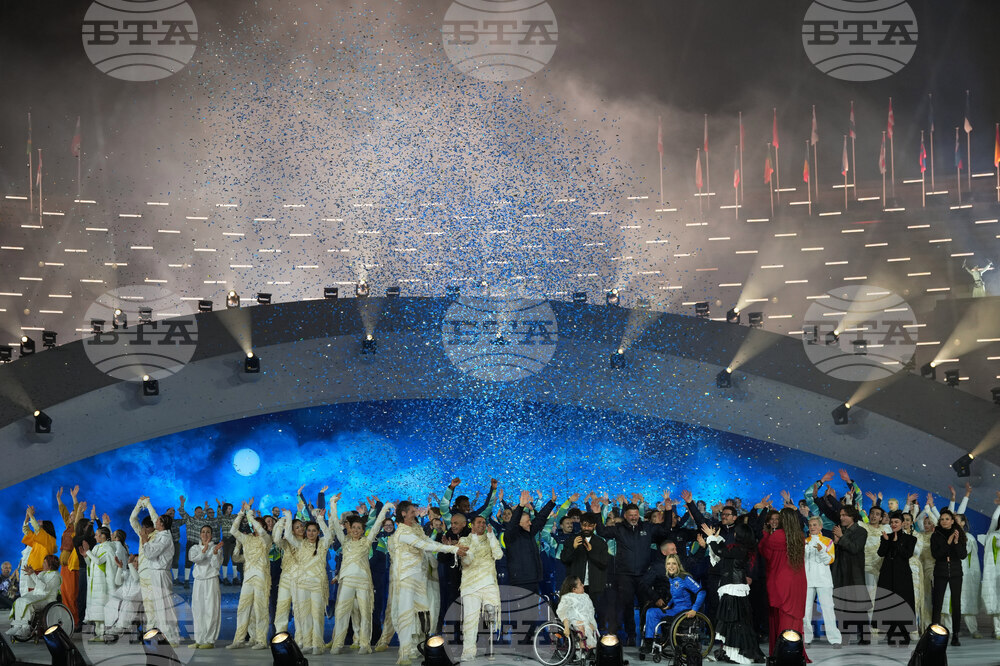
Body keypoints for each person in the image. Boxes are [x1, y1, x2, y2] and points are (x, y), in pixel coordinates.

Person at [388, 499, 466, 666]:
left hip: (419, 578)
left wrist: (453, 546)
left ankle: (418, 649)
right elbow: (424, 545)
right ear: (403, 514)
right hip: (406, 579)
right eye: (411, 511)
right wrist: (453, 549)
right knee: (406, 616)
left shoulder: (414, 529)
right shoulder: (402, 532)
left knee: (424, 616)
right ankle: (404, 654)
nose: (415, 513)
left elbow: (429, 541)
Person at [595, 495, 669, 644]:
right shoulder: (619, 529)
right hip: (625, 575)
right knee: (627, 606)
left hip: (644, 575)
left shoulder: (647, 528)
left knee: (646, 605)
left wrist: (668, 510)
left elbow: (665, 530)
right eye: (631, 515)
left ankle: (646, 635)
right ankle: (631, 635)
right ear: (625, 516)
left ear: (638, 515)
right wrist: (598, 514)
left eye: (636, 515)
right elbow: (602, 532)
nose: (634, 517)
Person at [328, 495, 392, 654]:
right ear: (349, 529)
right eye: (353, 528)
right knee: (342, 612)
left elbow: (377, 525)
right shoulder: (345, 541)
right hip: (348, 582)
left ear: (363, 530)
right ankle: (338, 643)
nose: (356, 530)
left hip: (363, 582)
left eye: (359, 528)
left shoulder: (367, 542)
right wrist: (333, 504)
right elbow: (336, 524)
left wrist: (383, 508)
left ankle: (364, 644)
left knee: (365, 613)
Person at [704, 522, 765, 664]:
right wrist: (717, 538)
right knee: (734, 622)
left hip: (734, 589)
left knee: (735, 623)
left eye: (736, 532)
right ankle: (731, 653)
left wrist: (711, 537)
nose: (734, 534)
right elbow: (723, 550)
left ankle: (738, 655)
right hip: (733, 588)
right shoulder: (740, 549)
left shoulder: (740, 549)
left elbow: (720, 552)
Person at [282, 505, 334, 655]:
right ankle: (307, 643)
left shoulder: (323, 544)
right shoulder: (301, 544)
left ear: (318, 532)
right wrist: (288, 517)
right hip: (303, 584)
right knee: (305, 615)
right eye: (309, 530)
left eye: (314, 531)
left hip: (317, 584)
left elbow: (329, 535)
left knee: (317, 614)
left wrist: (320, 520)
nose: (311, 533)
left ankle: (318, 644)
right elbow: (289, 536)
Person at [758, 507, 808, 658]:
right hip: (798, 581)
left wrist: (765, 534)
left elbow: (764, 552)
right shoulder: (800, 536)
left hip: (780, 580)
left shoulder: (777, 536)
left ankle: (781, 652)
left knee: (779, 617)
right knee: (793, 618)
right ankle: (795, 652)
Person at [227, 500, 273, 650]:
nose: (255, 527)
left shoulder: (267, 539)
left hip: (261, 578)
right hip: (248, 578)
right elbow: (233, 531)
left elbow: (261, 530)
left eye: (258, 525)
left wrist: (250, 514)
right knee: (243, 608)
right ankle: (239, 639)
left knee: (261, 609)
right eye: (253, 525)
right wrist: (241, 513)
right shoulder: (247, 539)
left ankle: (261, 640)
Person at [457, 514, 503, 661]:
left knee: (493, 615)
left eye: (484, 523)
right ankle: (468, 652)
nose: (482, 525)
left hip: (488, 583)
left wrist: (491, 537)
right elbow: (468, 559)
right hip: (470, 585)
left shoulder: (490, 538)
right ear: (472, 525)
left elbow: (499, 554)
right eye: (479, 523)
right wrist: (475, 539)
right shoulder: (465, 540)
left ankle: (491, 646)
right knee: (470, 619)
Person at [640, 555, 705, 653]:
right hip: (675, 609)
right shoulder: (671, 578)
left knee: (658, 615)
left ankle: (657, 641)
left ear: (678, 565)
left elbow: (701, 592)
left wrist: (694, 609)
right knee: (651, 611)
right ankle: (650, 642)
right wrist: (669, 605)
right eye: (668, 564)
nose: (671, 566)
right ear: (665, 566)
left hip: (684, 611)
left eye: (674, 563)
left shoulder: (685, 578)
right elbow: (675, 596)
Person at [139, 497, 181, 644]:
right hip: (156, 573)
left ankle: (172, 637)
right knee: (159, 607)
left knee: (165, 606)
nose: (155, 522)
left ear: (162, 525)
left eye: (158, 522)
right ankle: (164, 636)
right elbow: (154, 516)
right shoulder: (161, 534)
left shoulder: (164, 538)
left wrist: (144, 539)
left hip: (161, 574)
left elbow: (150, 553)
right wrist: (148, 504)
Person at [876, 511, 917, 643]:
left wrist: (896, 543)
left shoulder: (910, 539)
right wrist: (888, 542)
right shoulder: (885, 537)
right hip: (887, 574)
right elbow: (881, 553)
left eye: (896, 522)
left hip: (902, 575)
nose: (893, 524)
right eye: (892, 522)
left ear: (903, 523)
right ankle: (891, 631)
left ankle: (904, 633)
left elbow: (906, 554)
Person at [505, 490, 556, 595]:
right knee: (523, 610)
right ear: (519, 523)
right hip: (520, 581)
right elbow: (512, 524)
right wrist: (520, 507)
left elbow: (540, 519)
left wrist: (551, 502)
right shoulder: (511, 536)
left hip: (533, 579)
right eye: (527, 521)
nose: (530, 523)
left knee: (533, 610)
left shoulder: (529, 532)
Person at [832, 504, 869, 644]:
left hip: (854, 572)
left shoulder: (861, 531)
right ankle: (844, 635)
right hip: (840, 571)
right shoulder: (840, 530)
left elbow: (855, 548)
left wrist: (841, 538)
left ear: (852, 516)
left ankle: (865, 635)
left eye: (844, 515)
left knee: (859, 605)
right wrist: (835, 543)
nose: (841, 518)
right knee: (841, 605)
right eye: (840, 515)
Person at [560, 512, 609, 617]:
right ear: (580, 525)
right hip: (576, 586)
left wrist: (591, 552)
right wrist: (573, 548)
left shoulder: (600, 543)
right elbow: (564, 559)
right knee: (576, 615)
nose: (586, 528)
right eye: (584, 525)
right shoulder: (572, 540)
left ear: (595, 526)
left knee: (594, 615)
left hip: (595, 586)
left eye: (590, 525)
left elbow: (604, 563)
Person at [930, 509, 966, 647]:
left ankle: (955, 635)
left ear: (952, 521)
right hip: (940, 571)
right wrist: (948, 542)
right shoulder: (936, 535)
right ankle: (934, 634)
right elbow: (936, 555)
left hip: (956, 572)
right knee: (937, 603)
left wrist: (956, 542)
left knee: (956, 603)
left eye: (947, 519)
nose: (944, 521)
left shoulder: (959, 534)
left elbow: (962, 555)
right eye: (942, 519)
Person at [803, 516, 841, 646]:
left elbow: (830, 560)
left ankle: (835, 639)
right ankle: (806, 638)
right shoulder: (804, 541)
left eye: (814, 525)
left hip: (823, 580)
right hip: (807, 580)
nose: (812, 527)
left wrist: (821, 551)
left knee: (828, 609)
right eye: (810, 525)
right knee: (805, 610)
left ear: (820, 527)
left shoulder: (828, 541)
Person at [7, 554, 61, 641]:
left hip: (47, 599)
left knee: (27, 603)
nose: (42, 564)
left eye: (44, 562)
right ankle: (17, 626)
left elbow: (44, 589)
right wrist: (29, 575)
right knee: (19, 601)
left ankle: (26, 628)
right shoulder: (43, 573)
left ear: (50, 565)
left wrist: (33, 575)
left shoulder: (55, 576)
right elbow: (33, 585)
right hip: (38, 595)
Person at [189, 524, 224, 648]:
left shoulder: (217, 548)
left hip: (211, 580)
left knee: (211, 609)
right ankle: (199, 639)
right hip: (198, 581)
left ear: (212, 534)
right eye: (203, 532)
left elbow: (216, 565)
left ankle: (209, 640)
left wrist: (214, 553)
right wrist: (205, 550)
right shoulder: (194, 548)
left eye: (208, 532)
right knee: (198, 610)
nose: (205, 534)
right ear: (199, 534)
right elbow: (195, 559)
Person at [81, 526, 114, 641]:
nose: (95, 536)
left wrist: (88, 552)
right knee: (96, 609)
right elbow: (91, 564)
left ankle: (104, 633)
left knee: (102, 608)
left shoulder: (109, 548)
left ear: (103, 536)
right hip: (94, 583)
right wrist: (86, 556)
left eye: (97, 534)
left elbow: (99, 561)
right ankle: (98, 634)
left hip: (102, 583)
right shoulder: (96, 547)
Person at [557, 576, 600, 651]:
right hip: (571, 620)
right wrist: (566, 626)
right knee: (581, 627)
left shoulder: (585, 596)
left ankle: (588, 648)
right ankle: (581, 649)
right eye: (580, 584)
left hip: (586, 619)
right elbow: (562, 612)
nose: (583, 585)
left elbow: (590, 610)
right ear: (574, 589)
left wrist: (590, 621)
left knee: (591, 627)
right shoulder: (567, 598)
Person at [979, 492, 1000, 638]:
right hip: (995, 574)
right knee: (995, 600)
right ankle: (998, 629)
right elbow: (993, 520)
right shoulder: (993, 535)